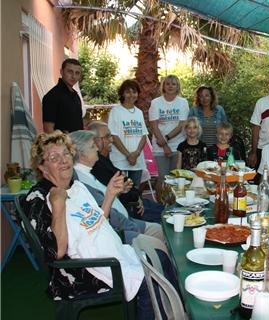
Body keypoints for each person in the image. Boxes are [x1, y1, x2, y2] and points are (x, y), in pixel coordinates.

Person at [21, 131, 154, 319]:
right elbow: (55, 253)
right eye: (54, 157)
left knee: (160, 260)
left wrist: (109, 195)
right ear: (42, 167)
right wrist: (58, 204)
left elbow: (98, 223)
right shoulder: (38, 198)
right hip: (82, 269)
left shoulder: (76, 186)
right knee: (150, 280)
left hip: (107, 253)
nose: (63, 160)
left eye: (66, 154)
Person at [69, 130, 167, 247]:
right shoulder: (81, 180)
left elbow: (105, 198)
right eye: (92, 146)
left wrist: (119, 192)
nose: (96, 149)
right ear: (81, 154)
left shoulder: (88, 173)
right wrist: (131, 226)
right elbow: (103, 213)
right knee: (158, 242)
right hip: (117, 229)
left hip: (125, 220)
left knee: (160, 230)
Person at [88, 121, 164, 223]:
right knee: (167, 215)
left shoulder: (104, 159)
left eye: (111, 135)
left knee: (168, 210)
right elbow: (120, 192)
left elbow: (126, 183)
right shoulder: (97, 165)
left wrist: (137, 196)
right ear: (96, 141)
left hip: (135, 201)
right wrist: (136, 198)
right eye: (107, 137)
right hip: (129, 210)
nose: (111, 139)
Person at [149, 75, 189, 188]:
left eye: (173, 84)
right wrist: (165, 145)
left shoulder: (183, 102)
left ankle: (172, 204)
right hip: (159, 145)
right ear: (163, 86)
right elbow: (154, 126)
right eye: (167, 84)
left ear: (178, 87)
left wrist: (166, 139)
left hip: (178, 145)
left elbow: (181, 125)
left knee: (176, 178)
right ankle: (160, 204)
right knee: (162, 177)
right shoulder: (156, 102)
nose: (170, 86)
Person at [107, 79, 148, 187]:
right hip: (120, 161)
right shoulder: (116, 111)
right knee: (119, 192)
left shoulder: (139, 112)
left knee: (134, 193)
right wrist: (128, 155)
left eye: (134, 92)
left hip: (137, 161)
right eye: (128, 92)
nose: (131, 95)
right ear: (122, 94)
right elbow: (113, 135)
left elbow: (144, 135)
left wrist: (137, 153)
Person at [42, 58, 84, 133]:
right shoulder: (52, 96)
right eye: (70, 72)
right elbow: (48, 129)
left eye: (77, 73)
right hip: (62, 143)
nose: (73, 76)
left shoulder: (75, 95)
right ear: (61, 72)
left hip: (78, 143)